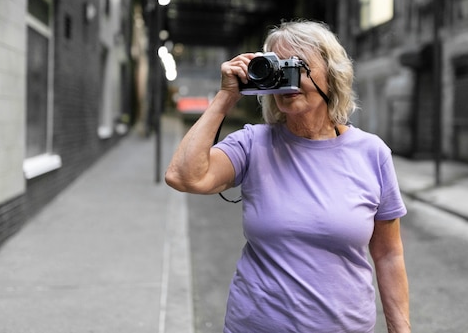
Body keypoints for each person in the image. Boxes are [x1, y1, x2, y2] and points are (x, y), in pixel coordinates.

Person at [165, 19, 411, 333]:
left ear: (331, 76)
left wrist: (400, 330)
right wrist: (226, 96)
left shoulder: (371, 153)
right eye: (276, 67)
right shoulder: (253, 143)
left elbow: (389, 254)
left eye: (296, 66)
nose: (286, 79)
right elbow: (183, 176)